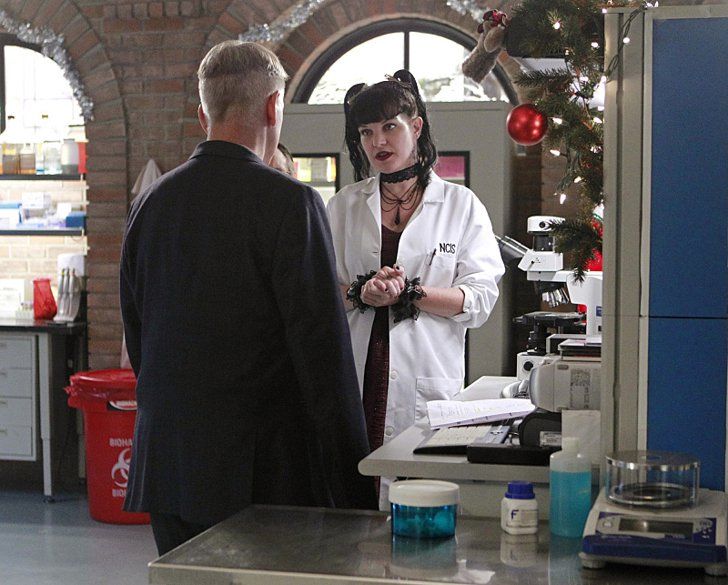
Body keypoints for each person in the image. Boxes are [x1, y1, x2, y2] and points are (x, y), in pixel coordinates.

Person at [120, 40, 377, 555]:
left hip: (167, 467)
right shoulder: (290, 202)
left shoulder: (152, 201)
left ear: (203, 113)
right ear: (273, 106)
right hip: (261, 476)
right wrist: (356, 489)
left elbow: (139, 334)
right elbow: (323, 356)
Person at [326, 70, 505, 508]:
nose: (378, 142)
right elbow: (316, 289)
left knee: (416, 501)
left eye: (390, 126)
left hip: (426, 382)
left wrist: (412, 294)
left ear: (417, 126)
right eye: (366, 132)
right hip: (357, 376)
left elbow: (480, 298)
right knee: (352, 501)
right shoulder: (344, 205)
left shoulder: (460, 205)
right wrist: (360, 294)